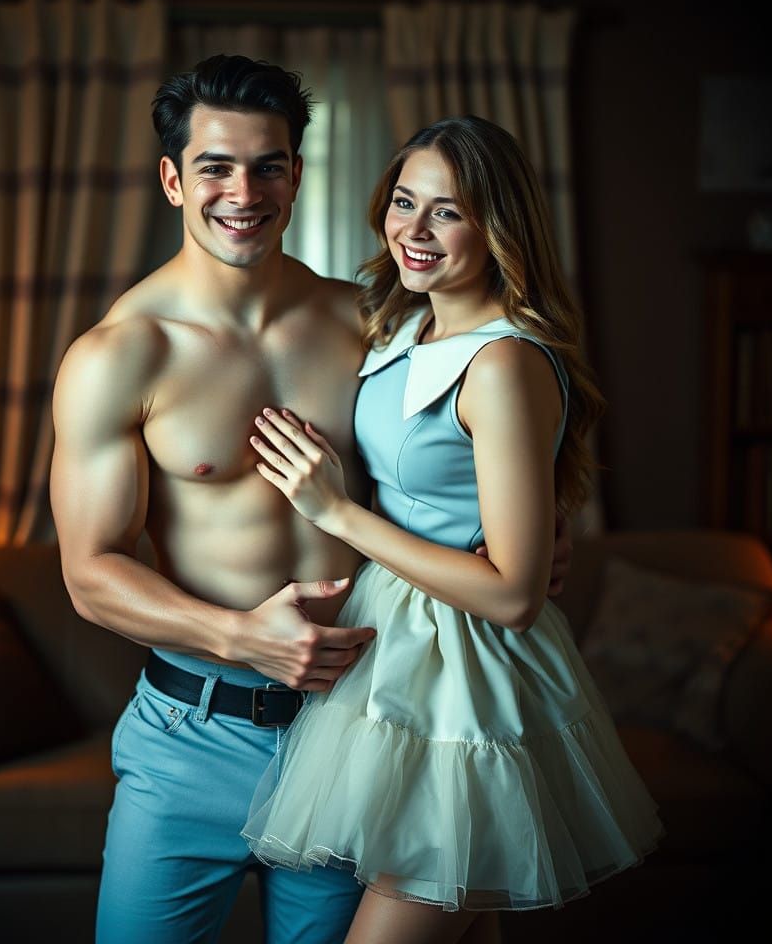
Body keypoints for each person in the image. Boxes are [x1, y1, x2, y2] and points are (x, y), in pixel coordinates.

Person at [51, 57, 569, 944]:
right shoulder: (119, 354)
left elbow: (476, 434)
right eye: (215, 166)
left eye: (269, 165)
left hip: (356, 724)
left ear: (298, 174)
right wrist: (239, 635)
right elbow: (90, 574)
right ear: (174, 179)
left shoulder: (372, 321)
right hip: (194, 734)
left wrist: (528, 539)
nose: (243, 191)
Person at [241, 116, 664, 944]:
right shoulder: (403, 326)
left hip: (469, 678)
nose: (415, 230)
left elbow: (512, 596)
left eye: (449, 211)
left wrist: (336, 514)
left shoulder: (502, 362)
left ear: (497, 226)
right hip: (396, 656)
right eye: (404, 202)